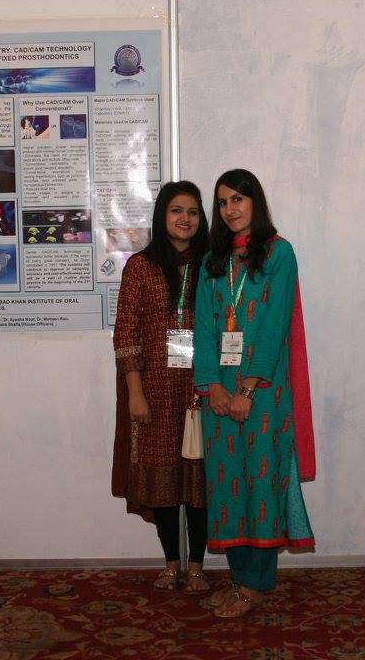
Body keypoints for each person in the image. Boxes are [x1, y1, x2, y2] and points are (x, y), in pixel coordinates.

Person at [192, 168, 316, 618]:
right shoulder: (213, 261)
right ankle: (240, 578)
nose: (230, 209)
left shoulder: (279, 254)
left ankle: (256, 585)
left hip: (263, 393)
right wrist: (213, 387)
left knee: (261, 482)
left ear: (255, 202)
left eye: (238, 199)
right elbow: (204, 328)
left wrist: (246, 389)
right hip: (219, 393)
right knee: (227, 484)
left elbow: (274, 324)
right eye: (223, 202)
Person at [111, 181, 211, 592]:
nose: (185, 219)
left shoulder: (213, 265)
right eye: (176, 210)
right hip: (154, 389)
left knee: (200, 480)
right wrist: (135, 393)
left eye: (192, 211)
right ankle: (172, 564)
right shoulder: (141, 266)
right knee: (164, 479)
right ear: (162, 216)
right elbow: (125, 333)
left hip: (203, 387)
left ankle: (198, 566)